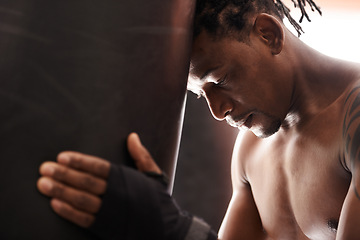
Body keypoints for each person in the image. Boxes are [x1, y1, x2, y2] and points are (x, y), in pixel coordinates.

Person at [37, 0, 360, 239]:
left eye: (219, 80)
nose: (218, 111)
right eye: (200, 94)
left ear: (268, 34)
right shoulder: (250, 151)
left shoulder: (353, 121)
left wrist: (175, 229)